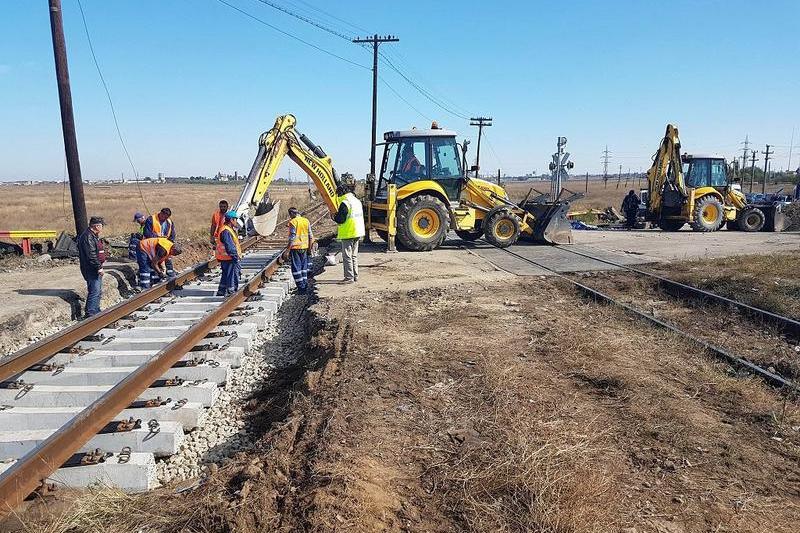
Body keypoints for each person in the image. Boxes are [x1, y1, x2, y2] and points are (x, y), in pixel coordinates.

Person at [333, 177, 365, 283]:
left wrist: (334, 217)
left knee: (347, 256)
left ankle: (349, 277)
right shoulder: (356, 201)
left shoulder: (345, 203)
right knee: (354, 256)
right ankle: (355, 276)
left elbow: (341, 219)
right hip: (358, 231)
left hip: (348, 232)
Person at [76, 216, 107, 318]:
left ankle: (95, 310)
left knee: (96, 290)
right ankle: (91, 312)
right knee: (94, 290)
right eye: (101, 226)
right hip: (91, 268)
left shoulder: (92, 235)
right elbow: (91, 255)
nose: (102, 228)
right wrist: (99, 267)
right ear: (97, 226)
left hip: (92, 267)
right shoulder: (88, 237)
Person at [287, 207, 313, 294]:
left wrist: (287, 249)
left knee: (296, 268)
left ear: (292, 213)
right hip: (305, 247)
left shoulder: (293, 222)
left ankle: (301, 288)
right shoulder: (306, 221)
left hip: (295, 248)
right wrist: (310, 248)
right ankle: (305, 285)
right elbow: (310, 236)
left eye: (290, 215)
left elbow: (292, 237)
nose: (290, 217)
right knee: (303, 267)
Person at [143, 208, 176, 278]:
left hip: (164, 245)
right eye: (163, 217)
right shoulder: (151, 219)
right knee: (153, 261)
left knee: (168, 259)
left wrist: (169, 244)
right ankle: (154, 278)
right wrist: (158, 238)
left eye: (166, 217)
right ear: (160, 213)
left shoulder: (169, 222)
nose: (164, 219)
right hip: (152, 245)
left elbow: (172, 235)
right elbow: (147, 233)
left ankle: (170, 276)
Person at [215, 210, 242, 296]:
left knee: (225, 275)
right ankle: (231, 292)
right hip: (229, 258)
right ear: (231, 220)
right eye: (235, 219)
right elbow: (229, 246)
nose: (236, 221)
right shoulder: (226, 231)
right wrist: (235, 257)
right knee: (232, 275)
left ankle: (221, 291)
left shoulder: (226, 229)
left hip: (224, 258)